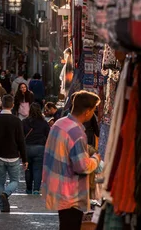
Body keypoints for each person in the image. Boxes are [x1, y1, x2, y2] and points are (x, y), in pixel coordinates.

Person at [42, 90, 101, 230]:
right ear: (87, 111)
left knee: (65, 224)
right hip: (70, 193)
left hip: (57, 186)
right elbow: (82, 166)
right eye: (93, 110)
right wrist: (95, 158)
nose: (93, 113)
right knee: (70, 225)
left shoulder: (60, 123)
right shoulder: (77, 133)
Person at [0, 94, 28, 213]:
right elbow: (21, 141)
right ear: (12, 105)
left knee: (0, 181)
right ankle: (6, 193)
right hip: (13, 156)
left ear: (1, 104)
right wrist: (25, 159)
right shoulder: (17, 121)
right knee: (14, 181)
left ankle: (2, 207)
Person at [23, 103, 50, 195]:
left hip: (27, 148)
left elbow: (21, 136)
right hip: (39, 148)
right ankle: (36, 189)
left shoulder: (25, 122)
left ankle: (29, 188)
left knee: (28, 169)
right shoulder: (43, 123)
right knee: (38, 169)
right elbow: (48, 135)